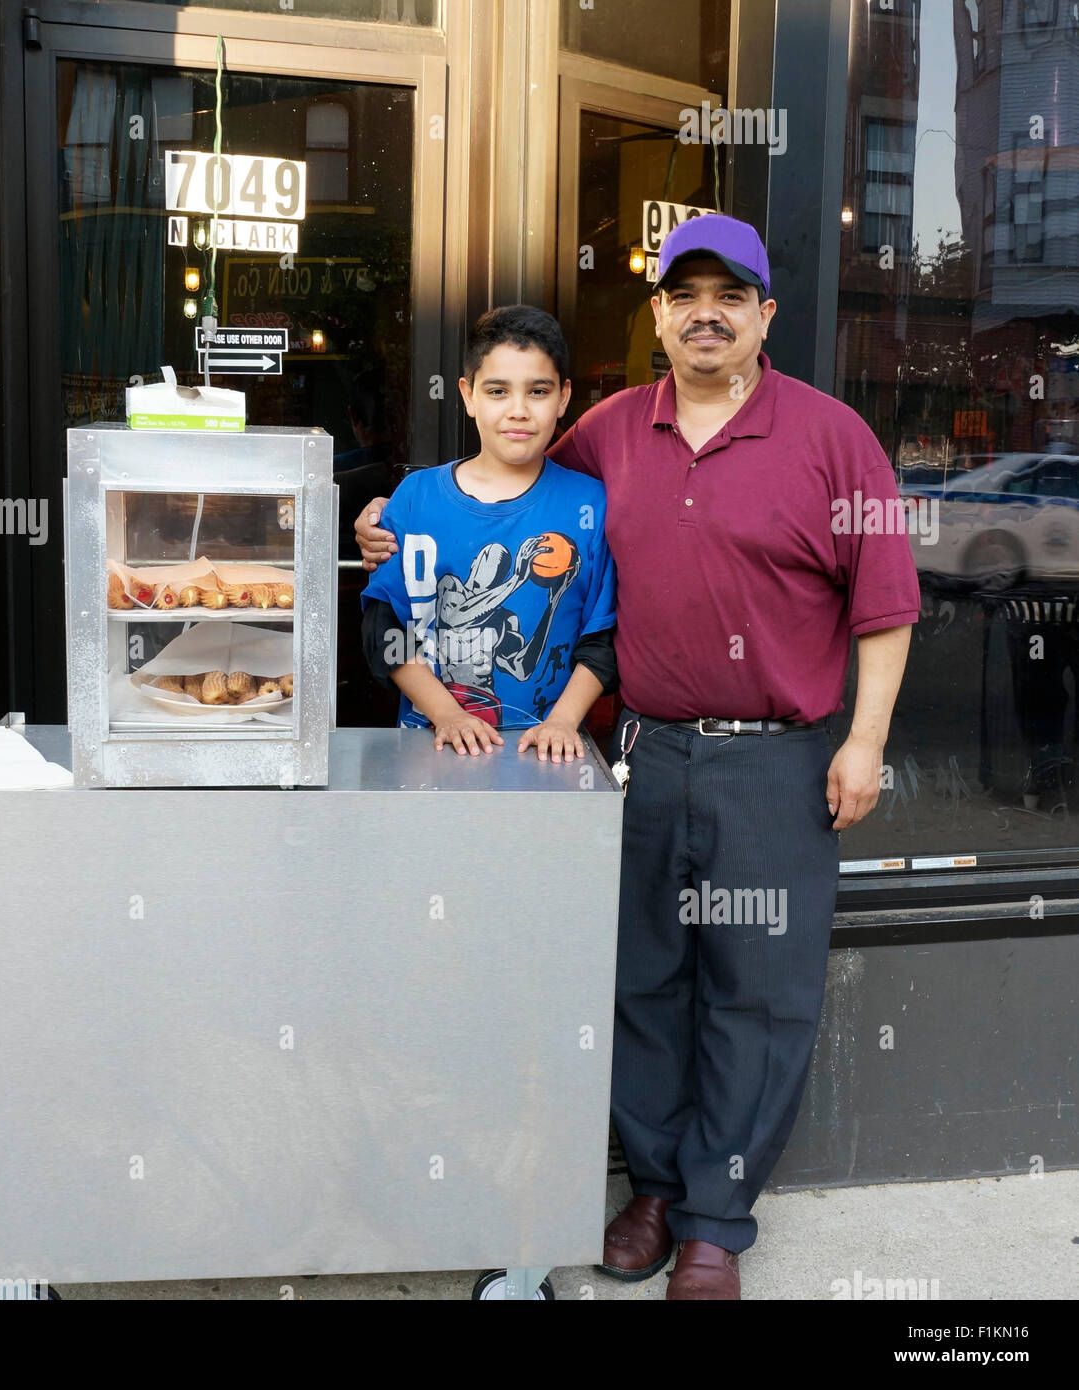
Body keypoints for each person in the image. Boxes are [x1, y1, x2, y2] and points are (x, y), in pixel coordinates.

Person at [355, 215, 920, 1298]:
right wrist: (389, 514)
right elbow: (499, 482)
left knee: (759, 992)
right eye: (684, 294)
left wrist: (864, 741)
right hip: (642, 755)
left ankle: (715, 1217)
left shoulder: (832, 438)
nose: (705, 312)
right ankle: (654, 1187)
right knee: (643, 985)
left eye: (729, 293)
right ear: (657, 314)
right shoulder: (607, 430)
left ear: (763, 313)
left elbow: (885, 606)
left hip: (779, 762)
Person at [361, 305, 618, 760]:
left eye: (538, 391)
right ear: (468, 395)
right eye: (498, 391)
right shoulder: (417, 498)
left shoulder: (591, 505)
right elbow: (384, 631)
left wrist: (562, 721)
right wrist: (447, 714)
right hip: (431, 743)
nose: (518, 410)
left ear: (563, 398)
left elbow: (601, 640)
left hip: (545, 753)